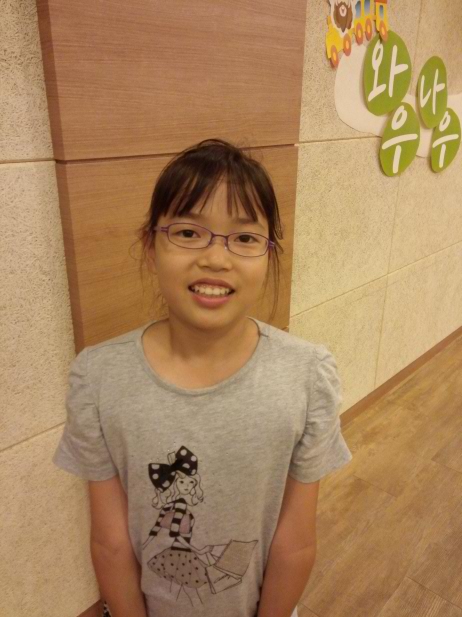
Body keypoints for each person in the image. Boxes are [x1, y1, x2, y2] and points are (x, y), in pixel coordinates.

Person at [53, 138, 353, 617]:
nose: (216, 258)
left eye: (245, 238)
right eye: (189, 232)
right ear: (150, 246)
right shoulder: (98, 378)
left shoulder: (308, 376)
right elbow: (110, 542)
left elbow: (295, 542)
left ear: (269, 253)